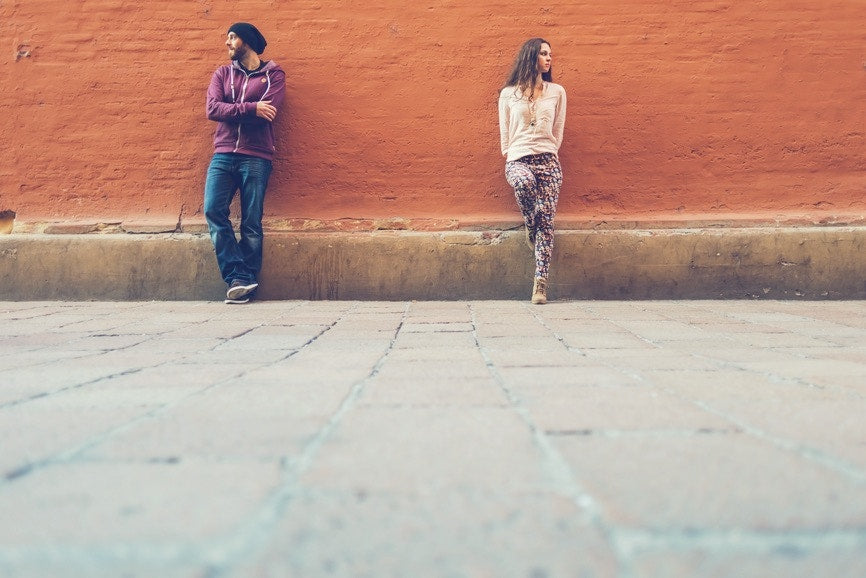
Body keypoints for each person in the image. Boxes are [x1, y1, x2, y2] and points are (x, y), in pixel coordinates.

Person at [204, 22, 285, 304]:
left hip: (257, 155)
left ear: (247, 41)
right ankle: (239, 276)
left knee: (251, 223)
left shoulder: (273, 74)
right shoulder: (222, 74)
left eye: (233, 37)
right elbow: (213, 109)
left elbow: (270, 111)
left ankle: (243, 283)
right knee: (214, 210)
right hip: (223, 153)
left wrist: (235, 111)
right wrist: (252, 108)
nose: (227, 42)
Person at [498, 38, 566, 305]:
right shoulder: (508, 94)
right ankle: (530, 222)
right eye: (543, 54)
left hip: (548, 161)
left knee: (547, 225)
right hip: (518, 160)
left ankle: (540, 283)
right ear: (530, 57)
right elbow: (505, 135)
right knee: (523, 184)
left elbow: (557, 131)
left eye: (550, 54)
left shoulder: (557, 91)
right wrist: (514, 152)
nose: (549, 58)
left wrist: (547, 150)